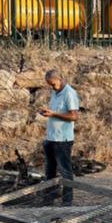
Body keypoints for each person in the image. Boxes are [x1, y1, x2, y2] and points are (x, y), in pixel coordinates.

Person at [39, 69, 80, 205]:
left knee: (65, 172)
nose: (51, 87)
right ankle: (49, 200)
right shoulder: (55, 93)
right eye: (49, 85)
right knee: (49, 172)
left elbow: (74, 116)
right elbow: (56, 112)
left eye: (53, 84)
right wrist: (47, 113)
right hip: (51, 138)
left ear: (59, 79)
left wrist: (54, 114)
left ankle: (67, 202)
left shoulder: (69, 93)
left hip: (62, 140)